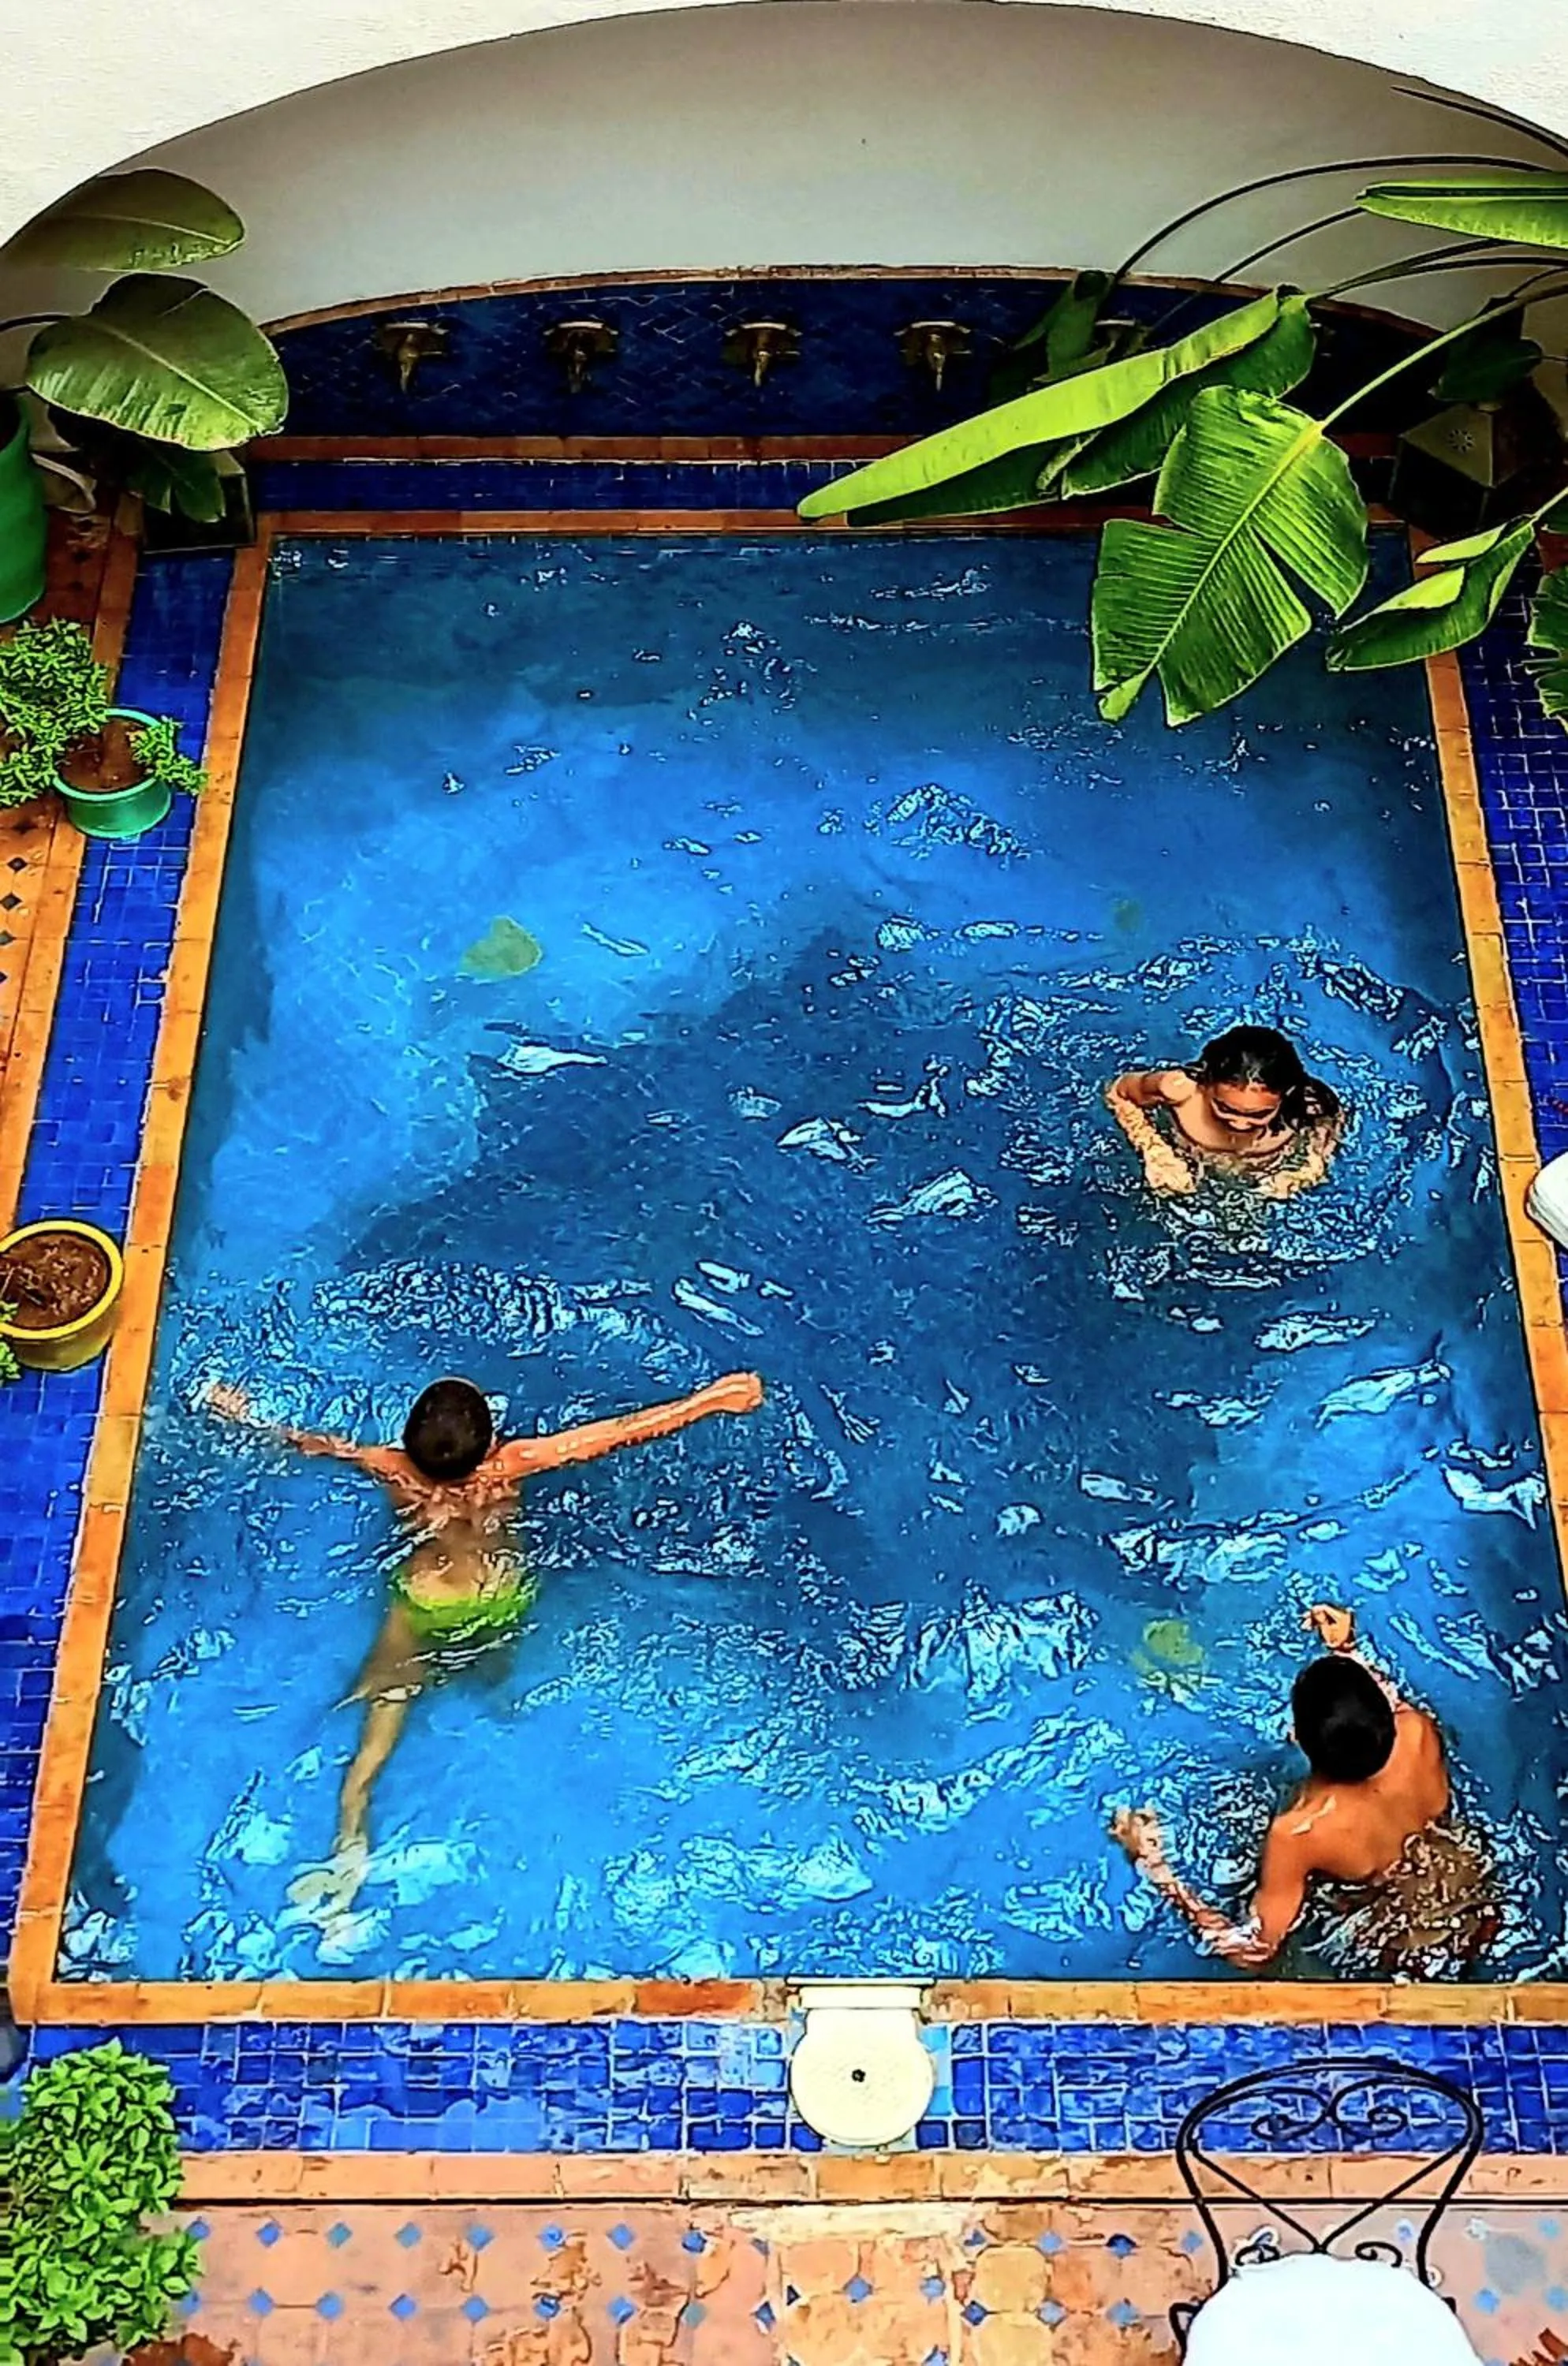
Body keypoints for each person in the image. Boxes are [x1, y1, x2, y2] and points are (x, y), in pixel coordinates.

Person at [207, 1368, 764, 1923]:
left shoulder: (390, 1467)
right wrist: (708, 1400)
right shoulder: (511, 1464)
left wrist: (241, 1414)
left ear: (409, 1442)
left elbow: (313, 1445)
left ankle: (350, 1843)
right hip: (500, 1594)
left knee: (375, 1734)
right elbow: (615, 1432)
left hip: (427, 1603)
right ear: (490, 1441)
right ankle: (497, 1698)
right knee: (495, 1668)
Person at [1111, 1605, 1497, 1977]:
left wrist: (1154, 1865)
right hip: (1477, 1899)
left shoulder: (1301, 1831)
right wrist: (1348, 1650)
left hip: (1400, 1947)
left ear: (1296, 1738)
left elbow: (1254, 1951)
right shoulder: (1418, 1731)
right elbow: (1385, 1707)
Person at [1106, 1023, 1343, 1199]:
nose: (1240, 1124)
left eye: (1259, 1114)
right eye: (1225, 1108)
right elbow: (1118, 1091)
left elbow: (1331, 1122)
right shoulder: (1179, 1090)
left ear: (1286, 1095)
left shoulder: (1309, 1103)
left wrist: (1312, 1166)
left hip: (1259, 1179)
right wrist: (1154, 1150)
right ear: (1206, 1085)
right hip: (1185, 1164)